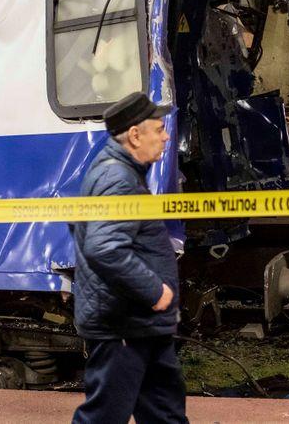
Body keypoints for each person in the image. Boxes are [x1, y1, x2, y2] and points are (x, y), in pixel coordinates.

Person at [71, 92, 188, 424]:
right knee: (104, 416)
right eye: (159, 129)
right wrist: (154, 291)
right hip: (123, 324)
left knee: (164, 413)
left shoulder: (123, 173)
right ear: (135, 135)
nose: (166, 136)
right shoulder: (117, 179)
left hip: (139, 324)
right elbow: (104, 247)